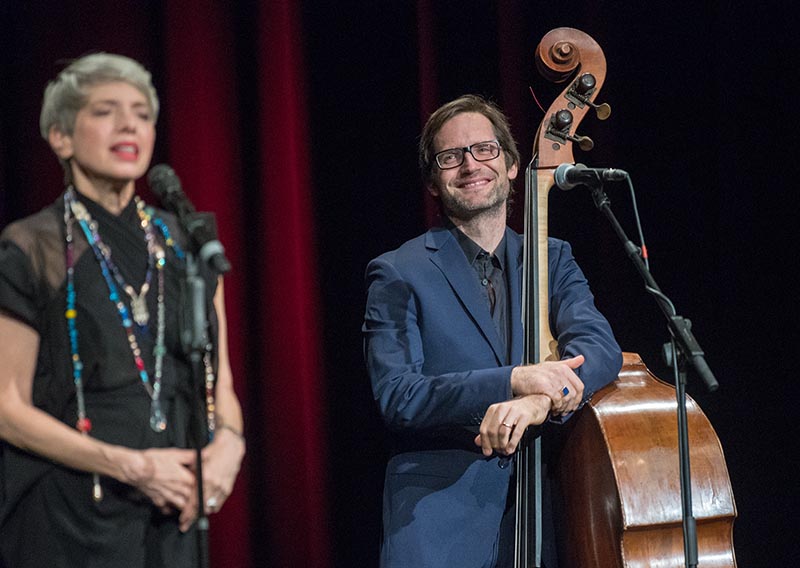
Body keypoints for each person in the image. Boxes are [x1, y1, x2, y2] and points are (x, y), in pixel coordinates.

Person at [0, 53, 245, 567]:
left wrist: (229, 447)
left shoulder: (187, 242)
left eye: (141, 112)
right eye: (105, 111)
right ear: (61, 138)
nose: (129, 123)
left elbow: (218, 386)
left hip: (171, 509)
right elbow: (7, 407)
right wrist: (131, 466)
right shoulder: (31, 247)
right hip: (70, 509)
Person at [363, 94, 623, 567]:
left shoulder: (552, 258)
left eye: (484, 149)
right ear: (433, 182)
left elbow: (599, 347)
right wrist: (514, 380)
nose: (469, 164)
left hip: (547, 514)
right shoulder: (397, 272)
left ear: (510, 165)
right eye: (450, 156)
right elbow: (399, 395)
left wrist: (540, 399)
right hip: (437, 527)